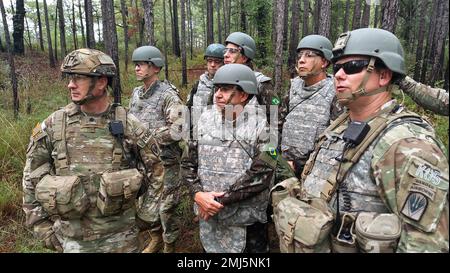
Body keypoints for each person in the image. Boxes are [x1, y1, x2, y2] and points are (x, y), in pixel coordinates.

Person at [272, 28, 449, 253]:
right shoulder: (340, 126)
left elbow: (425, 245)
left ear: (384, 76)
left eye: (352, 67)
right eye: (337, 67)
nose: (338, 75)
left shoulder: (407, 144)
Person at [22, 48, 161, 253]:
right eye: (70, 77)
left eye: (79, 78)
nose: (71, 84)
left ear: (102, 82)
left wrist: (145, 218)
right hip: (71, 242)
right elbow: (31, 178)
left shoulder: (128, 125)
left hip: (122, 242)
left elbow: (156, 170)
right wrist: (43, 229)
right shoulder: (54, 125)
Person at [182, 64, 278, 253]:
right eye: (217, 89)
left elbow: (263, 173)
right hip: (209, 218)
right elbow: (187, 163)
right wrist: (197, 194)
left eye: (225, 90)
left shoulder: (265, 127)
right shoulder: (203, 120)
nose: (217, 94)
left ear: (244, 95)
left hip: (247, 223)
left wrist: (220, 200)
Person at [129, 45, 184, 253]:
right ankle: (154, 238)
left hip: (166, 162)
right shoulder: (136, 94)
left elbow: (179, 129)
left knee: (166, 207)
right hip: (143, 163)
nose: (136, 69)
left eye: (141, 65)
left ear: (155, 67)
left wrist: (148, 139)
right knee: (146, 202)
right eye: (136, 65)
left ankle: (169, 244)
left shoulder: (167, 95)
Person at [280, 35, 342, 177]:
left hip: (314, 171)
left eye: (309, 56)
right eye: (300, 56)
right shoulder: (292, 86)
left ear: (324, 62)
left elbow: (335, 140)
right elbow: (275, 125)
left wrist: (301, 165)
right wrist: (277, 159)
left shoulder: (334, 91)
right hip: (283, 167)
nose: (301, 60)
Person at [185, 43, 225, 140]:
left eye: (217, 62)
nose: (212, 65)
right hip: (197, 139)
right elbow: (188, 111)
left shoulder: (229, 86)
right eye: (209, 61)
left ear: (224, 63)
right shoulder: (198, 85)